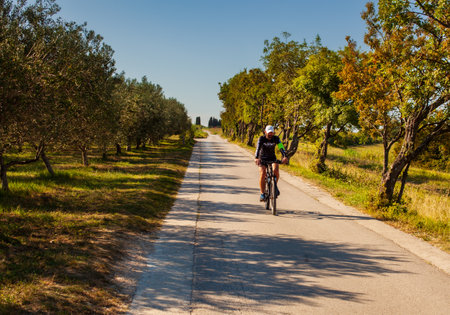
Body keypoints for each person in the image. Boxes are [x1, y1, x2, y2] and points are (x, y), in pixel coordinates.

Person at [254, 125, 288, 201]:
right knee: (263, 173)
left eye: (271, 133)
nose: (270, 134)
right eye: (269, 132)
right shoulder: (261, 139)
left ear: (273, 133)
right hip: (262, 158)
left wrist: (284, 156)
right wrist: (256, 158)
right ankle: (262, 194)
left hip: (272, 158)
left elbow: (281, 147)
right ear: (265, 132)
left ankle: (274, 186)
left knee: (276, 170)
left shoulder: (276, 138)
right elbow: (258, 148)